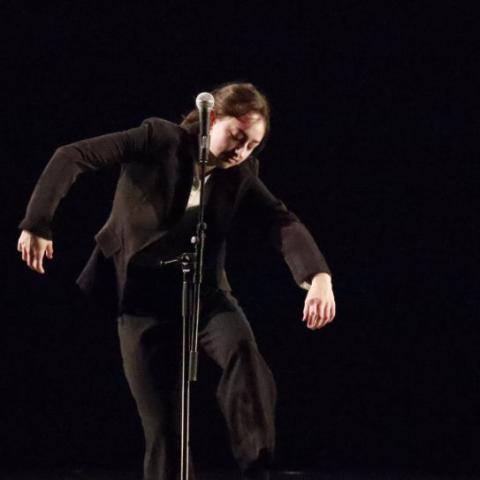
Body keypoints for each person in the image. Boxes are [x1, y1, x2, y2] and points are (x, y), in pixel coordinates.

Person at [17, 82, 336, 480]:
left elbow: (279, 219)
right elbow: (73, 156)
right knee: (166, 432)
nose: (242, 152)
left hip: (203, 294)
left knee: (243, 352)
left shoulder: (241, 173)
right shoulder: (160, 139)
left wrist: (317, 276)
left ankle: (259, 466)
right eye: (238, 137)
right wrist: (37, 222)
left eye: (253, 145)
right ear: (212, 119)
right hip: (141, 302)